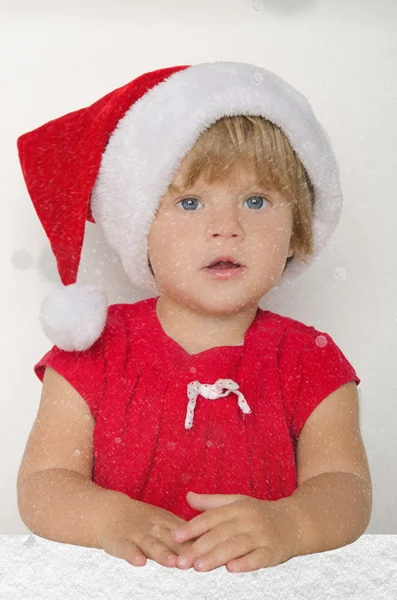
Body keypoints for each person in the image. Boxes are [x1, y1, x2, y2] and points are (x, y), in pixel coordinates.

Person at [16, 61, 372, 574]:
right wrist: (104, 516)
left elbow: (346, 487)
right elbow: (43, 483)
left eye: (256, 200)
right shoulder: (91, 353)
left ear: (296, 229)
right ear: (139, 227)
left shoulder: (310, 359)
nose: (225, 227)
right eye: (189, 202)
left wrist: (291, 524)